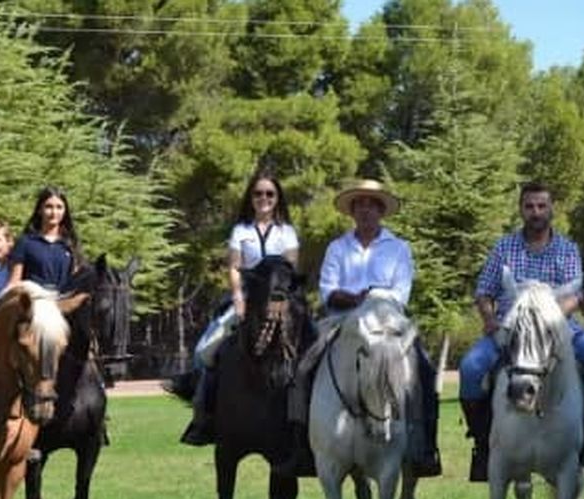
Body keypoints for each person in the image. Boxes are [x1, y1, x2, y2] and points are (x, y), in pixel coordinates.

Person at [279, 178, 442, 478]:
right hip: (342, 321)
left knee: (426, 370)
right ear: (352, 211)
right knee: (301, 368)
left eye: (372, 205)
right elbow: (328, 290)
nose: (366, 210)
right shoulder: (337, 248)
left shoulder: (399, 248)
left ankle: (423, 447)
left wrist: (371, 298)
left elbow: (402, 293)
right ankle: (302, 447)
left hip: (388, 323)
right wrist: (354, 299)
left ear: (381, 211)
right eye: (360, 205)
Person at [458, 182, 584, 482]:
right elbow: (483, 292)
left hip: (558, 327)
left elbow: (574, 296)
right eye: (529, 206)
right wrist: (490, 318)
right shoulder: (504, 247)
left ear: (551, 209)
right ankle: (483, 447)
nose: (536, 212)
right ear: (521, 209)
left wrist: (549, 318)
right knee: (470, 369)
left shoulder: (567, 249)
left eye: (542, 206)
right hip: (509, 327)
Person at [176, 170, 302, 445]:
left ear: (277, 198)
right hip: (246, 299)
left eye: (270, 193)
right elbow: (234, 267)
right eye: (258, 194)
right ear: (251, 198)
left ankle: (302, 423)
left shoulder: (287, 232)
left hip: (282, 300)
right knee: (204, 352)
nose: (264, 198)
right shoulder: (241, 231)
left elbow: (290, 269)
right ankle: (204, 418)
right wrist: (238, 298)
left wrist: (280, 302)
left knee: (311, 350)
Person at [7, 185, 81, 291]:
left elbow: (76, 282)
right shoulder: (25, 242)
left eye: (59, 207)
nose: (54, 213)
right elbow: (14, 283)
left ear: (65, 211)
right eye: (49, 207)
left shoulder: (70, 244)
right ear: (40, 210)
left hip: (62, 303)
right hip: (34, 303)